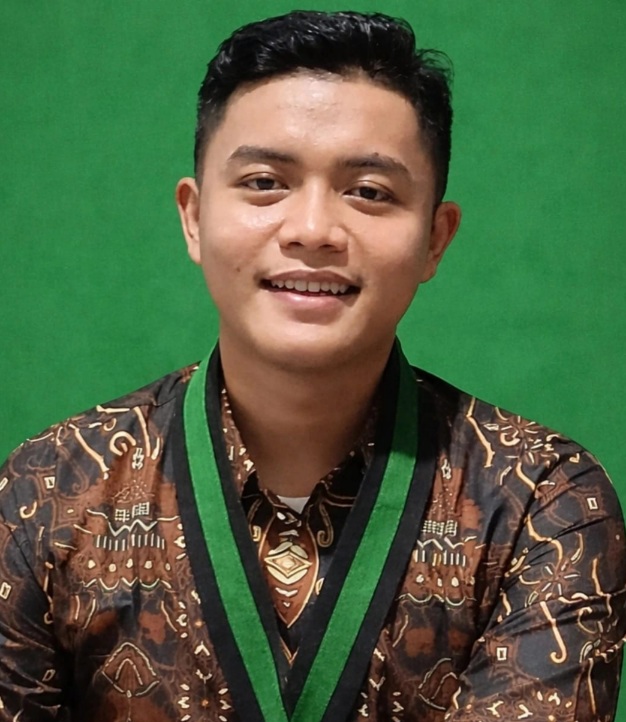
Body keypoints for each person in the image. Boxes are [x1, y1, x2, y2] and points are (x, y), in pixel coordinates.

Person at [0, 9, 624, 722]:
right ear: (194, 217)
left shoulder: (540, 503)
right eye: (266, 182)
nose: (312, 230)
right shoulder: (46, 491)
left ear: (435, 238)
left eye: (369, 192)